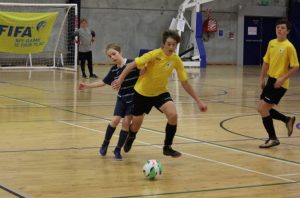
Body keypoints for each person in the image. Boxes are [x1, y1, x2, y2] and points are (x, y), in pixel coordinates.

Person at [112, 30, 207, 158]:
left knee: (173, 115)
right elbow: (131, 65)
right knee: (136, 125)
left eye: (174, 45)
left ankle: (167, 147)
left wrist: (198, 101)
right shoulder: (154, 54)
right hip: (142, 93)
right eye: (169, 44)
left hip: (160, 92)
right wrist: (120, 79)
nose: (171, 47)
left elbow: (185, 83)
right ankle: (131, 136)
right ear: (163, 44)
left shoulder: (176, 60)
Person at [79, 43, 140, 160]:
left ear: (120, 52)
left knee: (126, 123)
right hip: (122, 99)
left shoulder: (132, 63)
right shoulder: (114, 70)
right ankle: (105, 143)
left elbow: (145, 70)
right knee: (115, 120)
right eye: (109, 56)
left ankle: (117, 150)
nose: (112, 57)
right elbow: (102, 82)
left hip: (133, 100)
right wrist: (87, 85)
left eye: (114, 54)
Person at [258, 18, 299, 148]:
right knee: (261, 109)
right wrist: (262, 78)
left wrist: (282, 79)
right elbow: (266, 61)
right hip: (270, 80)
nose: (279, 30)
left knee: (264, 109)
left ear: (287, 31)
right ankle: (287, 120)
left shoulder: (289, 47)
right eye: (278, 28)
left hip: (280, 83)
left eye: (282, 28)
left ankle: (273, 138)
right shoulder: (272, 43)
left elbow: (296, 67)